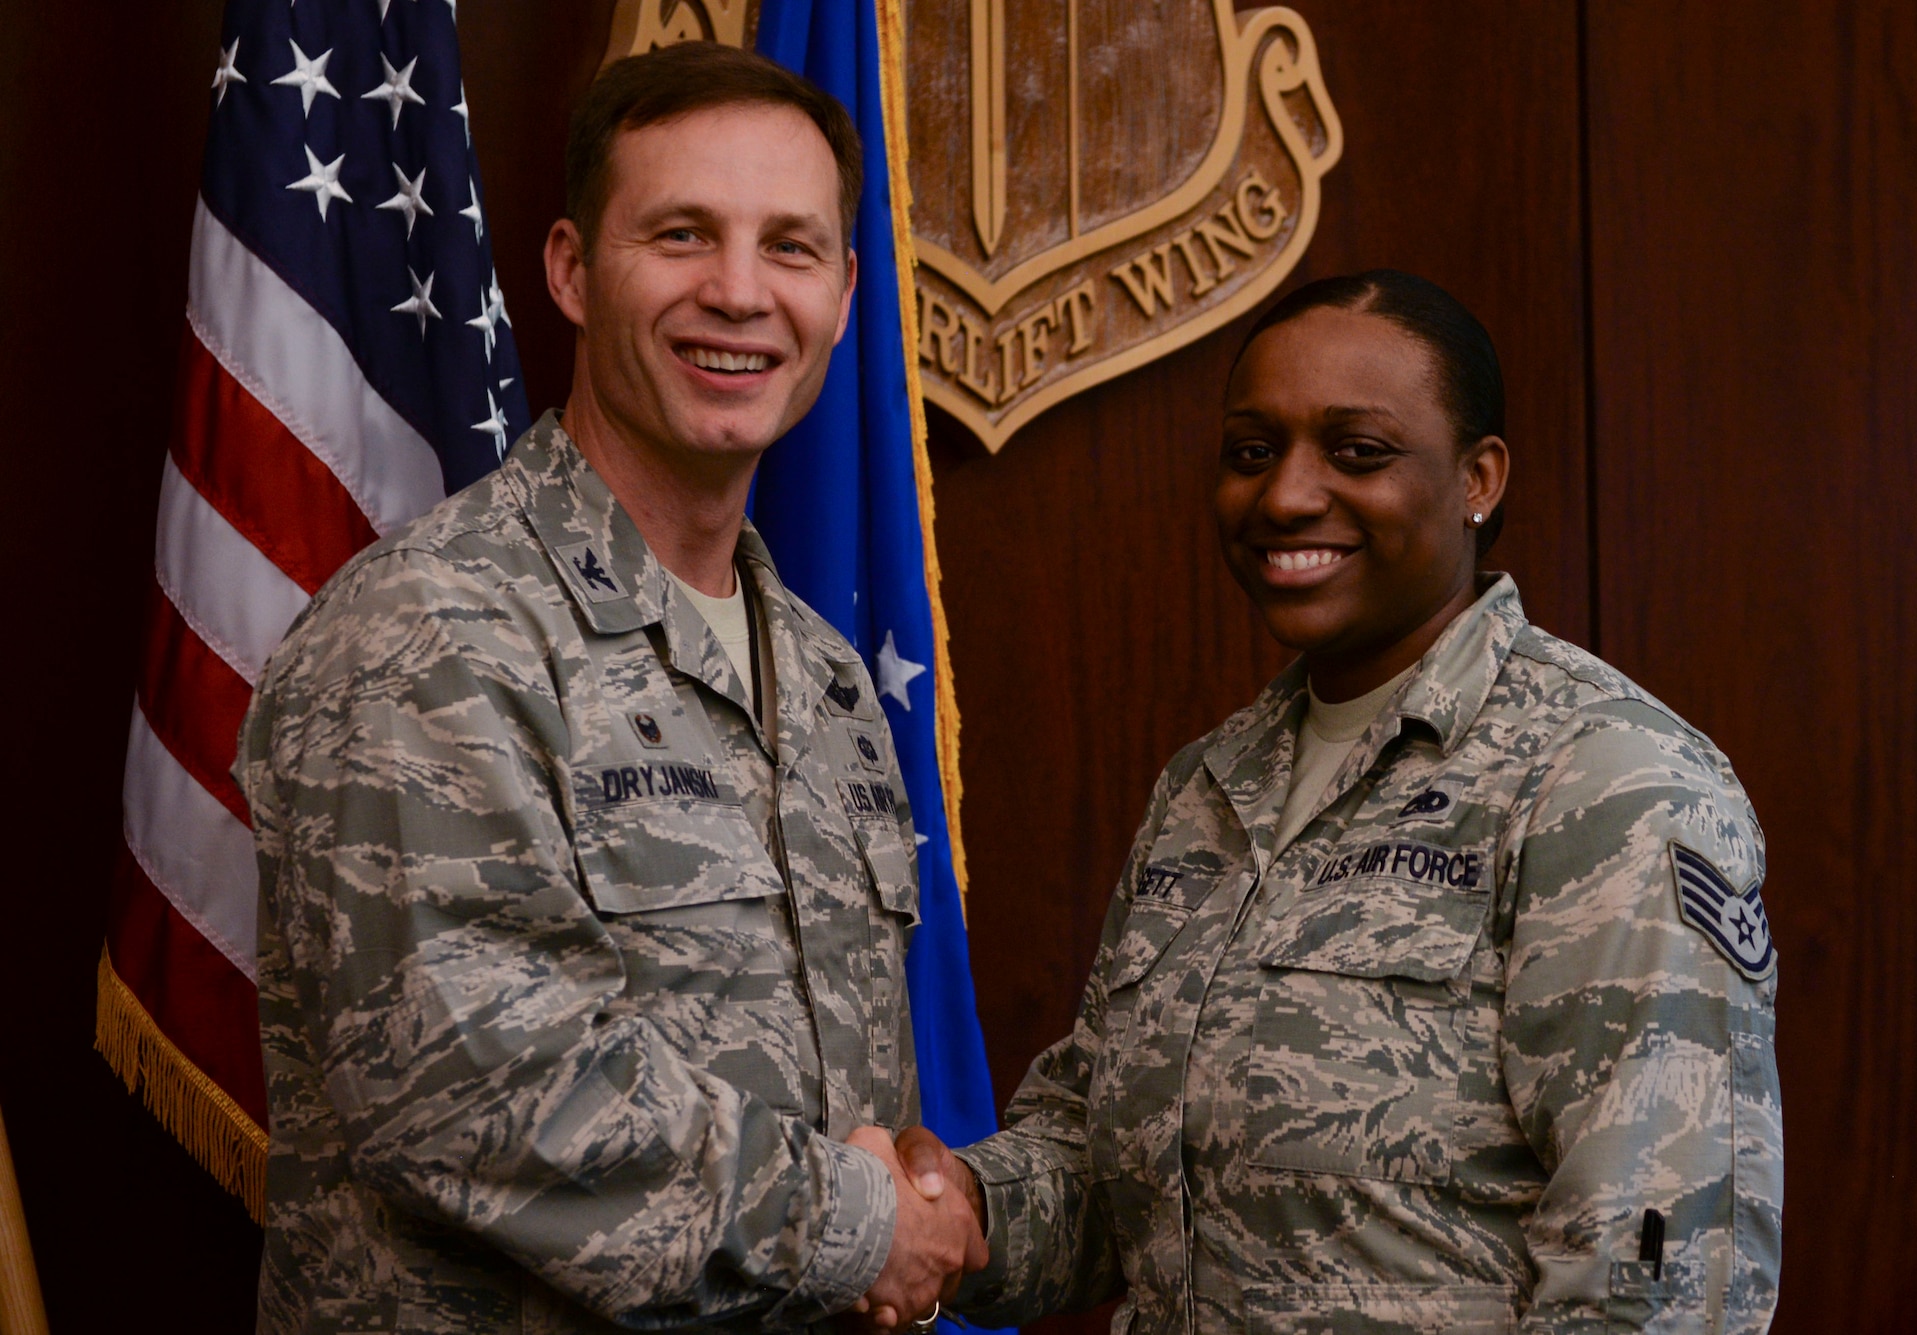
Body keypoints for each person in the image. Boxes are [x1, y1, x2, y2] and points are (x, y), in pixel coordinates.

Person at [237, 43, 984, 1333]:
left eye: (791, 247)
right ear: (572, 271)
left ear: (846, 291)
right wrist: (863, 1228)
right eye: (683, 234)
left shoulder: (820, 676)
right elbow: (475, 1098)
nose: (741, 293)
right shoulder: (431, 634)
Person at [890, 271, 1782, 1332]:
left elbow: (1656, 1278)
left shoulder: (1602, 780)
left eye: (1355, 452)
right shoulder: (1207, 785)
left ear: (1476, 480)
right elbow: (1102, 1171)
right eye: (1251, 452)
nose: (1285, 497)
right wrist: (949, 1210)